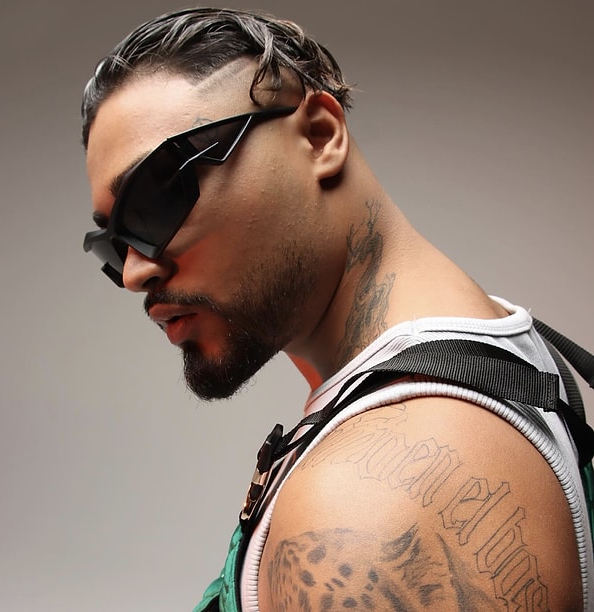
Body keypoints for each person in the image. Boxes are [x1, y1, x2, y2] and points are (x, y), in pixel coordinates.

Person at [80, 7, 593, 610]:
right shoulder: (501, 346)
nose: (134, 272)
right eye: (113, 243)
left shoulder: (374, 508)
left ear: (320, 136)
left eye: (154, 201)